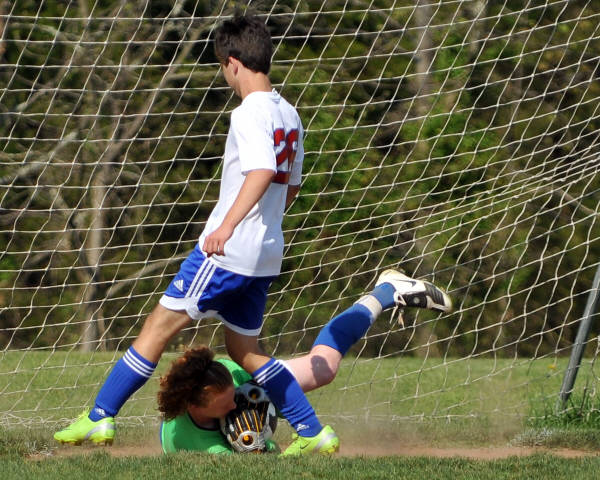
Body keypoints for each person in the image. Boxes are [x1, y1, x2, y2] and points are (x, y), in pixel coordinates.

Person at [54, 13, 327, 455]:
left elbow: (261, 171)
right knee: (245, 350)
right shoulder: (289, 113)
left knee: (157, 329)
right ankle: (313, 432)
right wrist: (262, 223)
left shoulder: (248, 113)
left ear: (232, 62)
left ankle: (101, 416)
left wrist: (228, 225)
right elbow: (289, 184)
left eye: (222, 67)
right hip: (265, 253)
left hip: (227, 252)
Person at [158, 269, 452, 455]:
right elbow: (260, 462)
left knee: (324, 368)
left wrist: (265, 412)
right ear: (195, 407)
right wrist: (263, 447)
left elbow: (249, 391)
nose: (235, 405)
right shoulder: (192, 444)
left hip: (245, 380)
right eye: (225, 404)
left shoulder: (229, 377)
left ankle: (387, 291)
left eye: (232, 397)